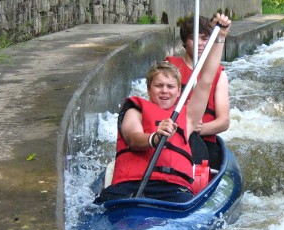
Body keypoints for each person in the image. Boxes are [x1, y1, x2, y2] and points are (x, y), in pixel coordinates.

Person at [95, 13, 231, 204]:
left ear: (178, 92)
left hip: (173, 191)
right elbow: (134, 139)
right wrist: (154, 137)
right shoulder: (135, 111)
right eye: (159, 86)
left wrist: (220, 37)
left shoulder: (188, 117)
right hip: (129, 188)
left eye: (170, 87)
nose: (165, 92)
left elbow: (207, 79)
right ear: (149, 89)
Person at [165, 15, 230, 170]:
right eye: (194, 39)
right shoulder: (168, 67)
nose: (200, 44)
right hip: (171, 138)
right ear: (184, 42)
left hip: (205, 143)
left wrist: (200, 128)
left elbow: (223, 121)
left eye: (205, 38)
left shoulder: (220, 75)